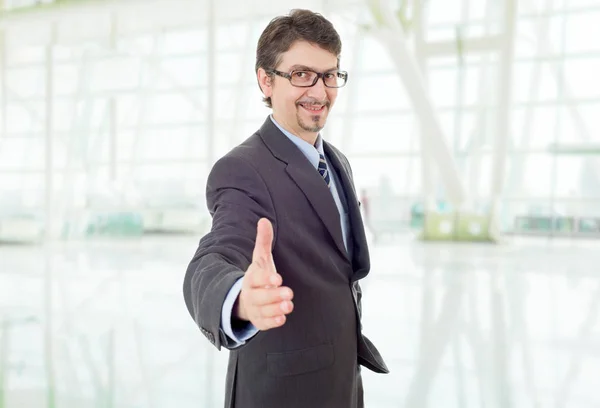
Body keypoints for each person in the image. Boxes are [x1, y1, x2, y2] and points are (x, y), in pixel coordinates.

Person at [183, 9, 388, 408]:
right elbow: (214, 257)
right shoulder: (243, 169)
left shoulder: (336, 161)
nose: (319, 90)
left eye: (330, 75)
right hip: (282, 394)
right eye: (301, 75)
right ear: (265, 80)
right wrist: (239, 297)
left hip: (341, 383)